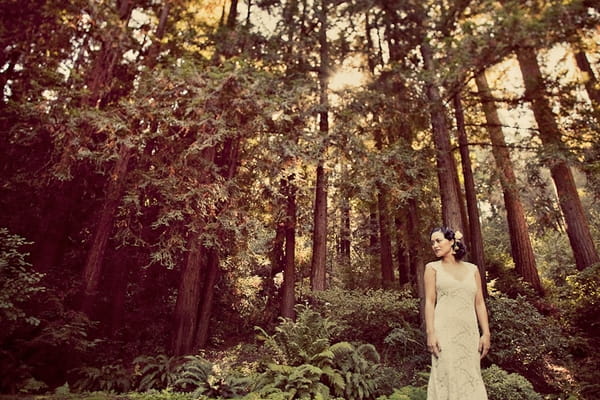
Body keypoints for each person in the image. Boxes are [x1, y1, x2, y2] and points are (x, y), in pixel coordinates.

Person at [424, 226, 490, 399]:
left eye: (438, 241)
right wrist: (431, 334)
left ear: (452, 241)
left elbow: (480, 303)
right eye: (432, 243)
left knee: (470, 376)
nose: (435, 245)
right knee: (447, 375)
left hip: (469, 334)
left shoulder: (473, 269)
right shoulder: (432, 268)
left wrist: (486, 333)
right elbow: (430, 302)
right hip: (444, 333)